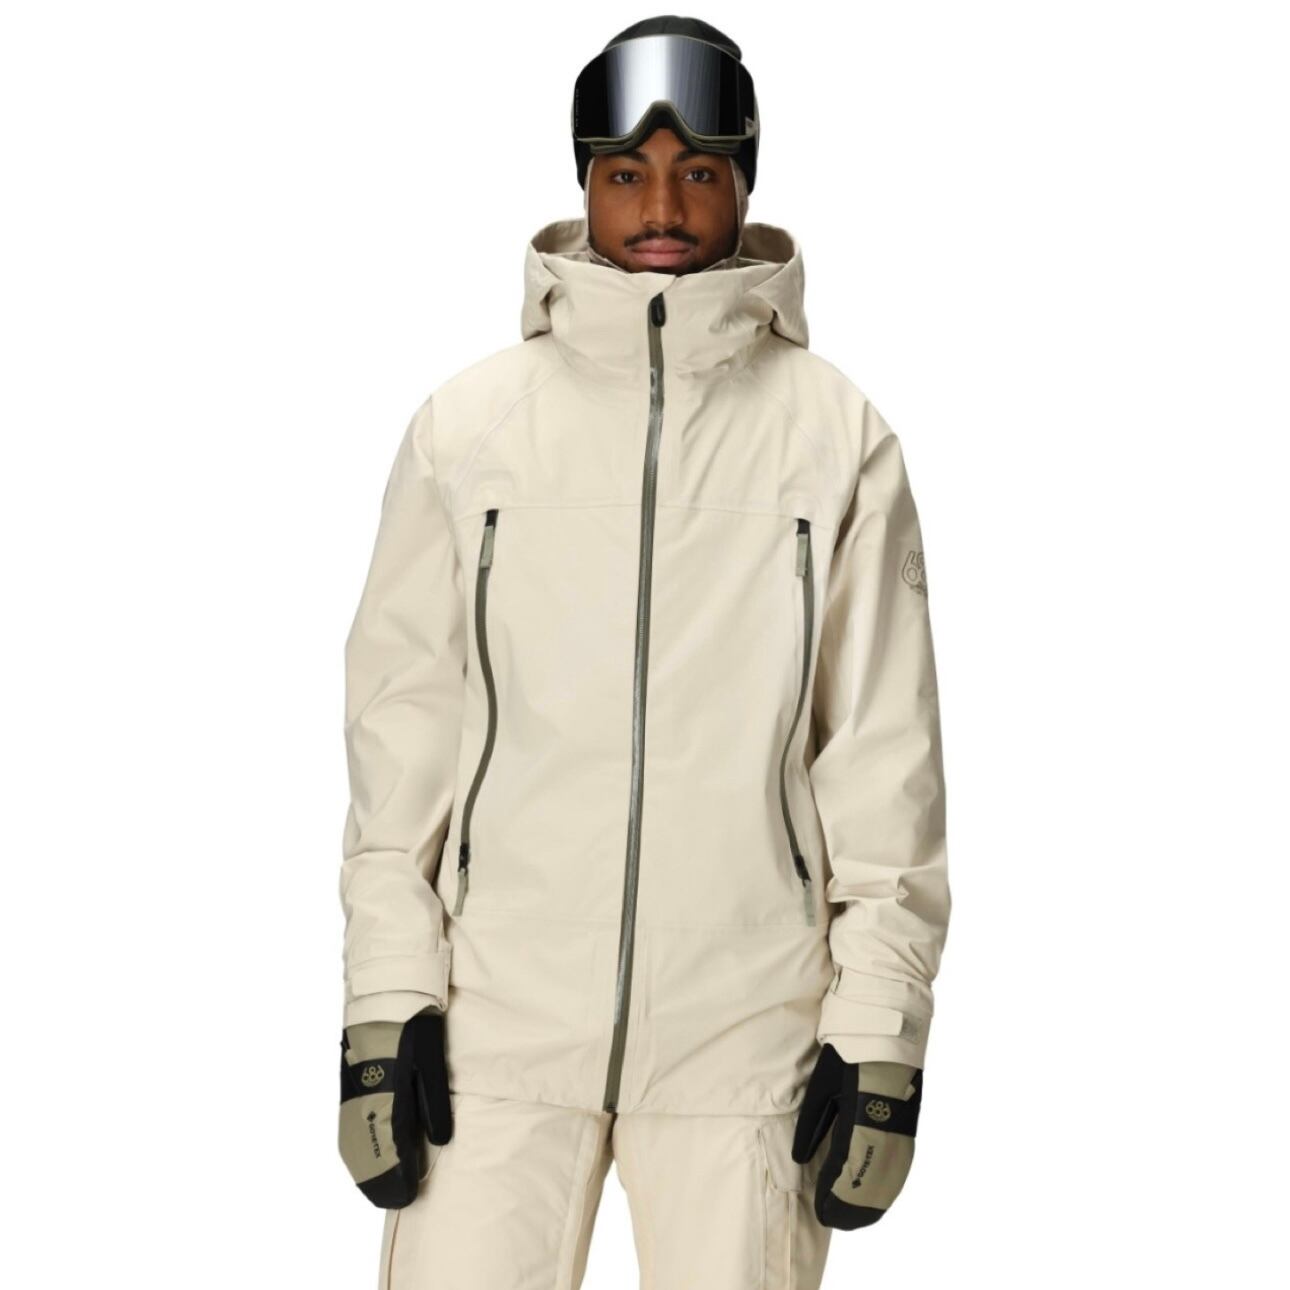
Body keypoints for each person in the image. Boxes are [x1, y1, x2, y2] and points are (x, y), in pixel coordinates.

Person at [336, 16, 951, 1289]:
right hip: (496, 1033)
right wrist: (385, 998)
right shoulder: (471, 429)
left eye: (698, 172)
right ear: (584, 183)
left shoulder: (837, 439)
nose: (662, 207)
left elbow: (883, 756)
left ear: (745, 184)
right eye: (627, 173)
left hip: (749, 1036)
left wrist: (881, 1031)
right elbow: (404, 739)